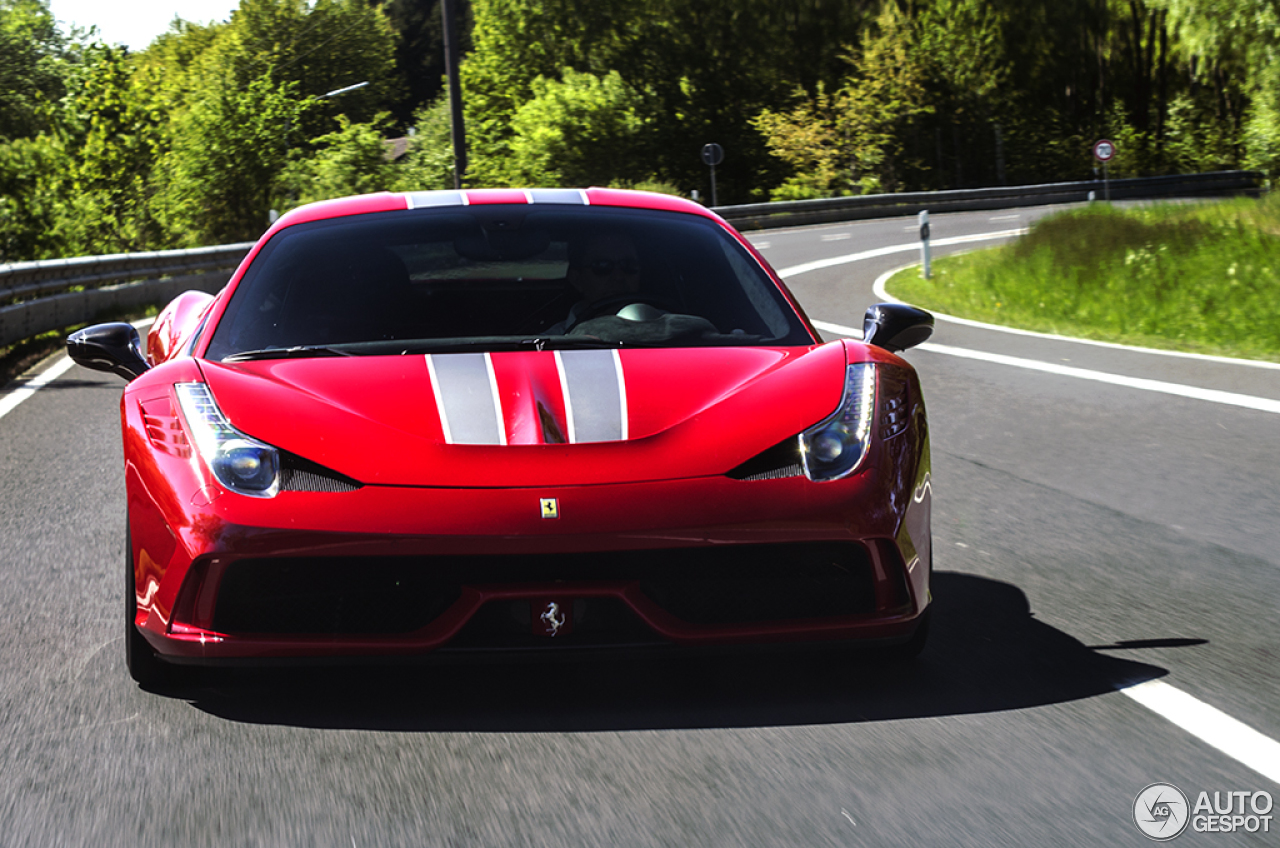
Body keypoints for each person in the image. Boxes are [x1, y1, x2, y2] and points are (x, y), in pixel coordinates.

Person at [546, 232, 643, 334]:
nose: (618, 277)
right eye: (602, 266)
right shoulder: (550, 343)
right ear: (577, 279)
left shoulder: (661, 328)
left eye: (628, 265)